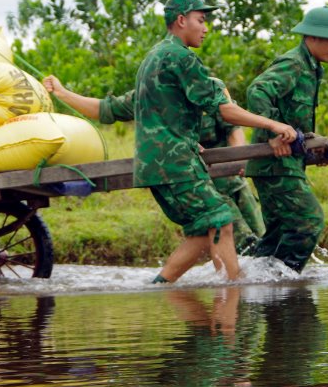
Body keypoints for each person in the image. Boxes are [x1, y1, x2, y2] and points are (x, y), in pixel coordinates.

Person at [133, 0, 296, 284]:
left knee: (202, 228)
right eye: (201, 20)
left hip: (160, 160)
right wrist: (273, 124)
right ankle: (233, 290)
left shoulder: (155, 56)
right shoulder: (181, 58)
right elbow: (225, 110)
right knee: (221, 217)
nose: (206, 28)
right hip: (174, 162)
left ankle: (159, 287)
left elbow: (160, 113)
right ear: (182, 20)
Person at [42, 75, 265, 253]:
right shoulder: (149, 94)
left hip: (231, 179)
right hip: (199, 183)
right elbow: (104, 109)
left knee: (262, 239)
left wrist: (236, 162)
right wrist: (63, 93)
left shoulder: (206, 86)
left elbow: (232, 127)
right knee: (243, 243)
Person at [244, 7, 328, 272]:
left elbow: (296, 121)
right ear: (311, 37)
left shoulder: (312, 68)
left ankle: (255, 283)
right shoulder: (294, 63)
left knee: (279, 233)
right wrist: (276, 131)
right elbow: (257, 91)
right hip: (275, 164)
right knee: (309, 221)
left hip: (284, 163)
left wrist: (315, 152)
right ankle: (285, 280)